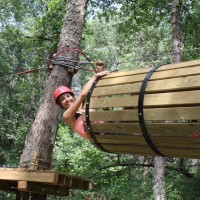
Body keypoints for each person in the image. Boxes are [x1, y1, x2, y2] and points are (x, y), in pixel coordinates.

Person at [53, 68, 109, 139]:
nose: (67, 99)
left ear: (72, 97)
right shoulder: (67, 116)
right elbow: (82, 95)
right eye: (62, 99)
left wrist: (100, 73)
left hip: (109, 127)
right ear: (60, 104)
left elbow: (96, 93)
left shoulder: (85, 106)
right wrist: (95, 76)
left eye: (68, 96)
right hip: (102, 136)